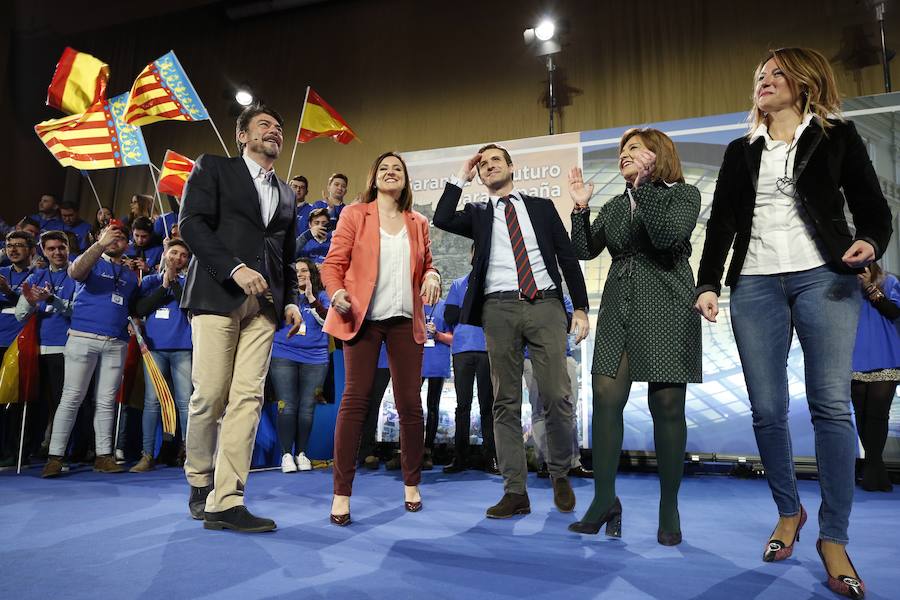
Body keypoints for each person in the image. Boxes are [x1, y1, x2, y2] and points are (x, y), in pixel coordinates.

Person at [694, 48, 892, 598]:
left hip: (823, 278)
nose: (765, 81)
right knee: (767, 408)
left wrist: (871, 241)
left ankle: (834, 537)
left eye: (777, 73)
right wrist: (708, 282)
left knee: (830, 403)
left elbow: (874, 209)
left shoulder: (838, 138)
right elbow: (723, 225)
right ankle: (789, 510)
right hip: (754, 283)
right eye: (760, 75)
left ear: (805, 83)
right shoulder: (740, 151)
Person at [433, 144, 590, 519]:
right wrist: (462, 175)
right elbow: (440, 217)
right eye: (483, 164)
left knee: (556, 394)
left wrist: (580, 307)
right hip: (497, 309)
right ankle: (515, 491)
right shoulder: (478, 213)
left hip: (546, 304)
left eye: (494, 161)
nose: (488, 167)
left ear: (511, 167)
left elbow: (566, 257)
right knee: (504, 402)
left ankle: (559, 473)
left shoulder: (540, 207)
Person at [567, 128, 702, 545]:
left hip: (668, 301)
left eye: (634, 149)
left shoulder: (684, 195)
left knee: (666, 404)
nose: (623, 155)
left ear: (658, 156)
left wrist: (643, 189)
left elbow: (665, 235)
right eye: (621, 151)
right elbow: (585, 249)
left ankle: (669, 507)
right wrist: (580, 209)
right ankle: (604, 499)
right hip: (619, 304)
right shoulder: (613, 204)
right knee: (606, 396)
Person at [178, 103, 301, 533]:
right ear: (242, 137)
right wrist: (233, 267)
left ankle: (227, 500)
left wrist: (291, 300)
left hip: (264, 309)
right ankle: (200, 480)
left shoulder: (287, 193)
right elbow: (191, 225)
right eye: (265, 124)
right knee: (210, 395)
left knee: (247, 399)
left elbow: (286, 255)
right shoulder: (213, 168)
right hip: (216, 294)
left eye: (279, 127)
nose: (275, 131)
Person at [321, 151, 441, 526]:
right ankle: (341, 493)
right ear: (374, 179)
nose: (391, 173)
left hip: (406, 321)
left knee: (410, 405)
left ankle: (411, 483)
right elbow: (332, 265)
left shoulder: (418, 221)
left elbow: (428, 264)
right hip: (363, 319)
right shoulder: (355, 215)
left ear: (405, 181)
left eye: (398, 170)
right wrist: (336, 292)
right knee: (355, 401)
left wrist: (433, 276)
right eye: (384, 169)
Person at [42, 221, 140, 477]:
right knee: (71, 397)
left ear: (128, 244)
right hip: (83, 336)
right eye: (111, 235)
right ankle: (55, 457)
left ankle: (104, 456)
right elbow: (74, 273)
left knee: (107, 400)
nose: (115, 240)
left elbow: (131, 306)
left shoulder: (130, 274)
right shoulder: (91, 260)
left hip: (116, 341)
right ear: (100, 237)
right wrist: (101, 244)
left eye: (121, 237)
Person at [129, 239, 193, 473]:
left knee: (185, 403)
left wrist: (173, 282)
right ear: (165, 254)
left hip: (183, 349)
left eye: (183, 255)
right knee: (152, 402)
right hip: (154, 349)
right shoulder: (148, 281)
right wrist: (163, 286)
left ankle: (188, 454)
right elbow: (141, 309)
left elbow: (187, 305)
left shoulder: (190, 282)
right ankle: (147, 455)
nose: (178, 257)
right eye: (174, 252)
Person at [14, 231, 76, 462]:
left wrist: (53, 300)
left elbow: (79, 312)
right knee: (38, 403)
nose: (57, 252)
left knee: (63, 403)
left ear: (68, 247)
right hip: (38, 349)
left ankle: (60, 453)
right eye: (51, 249)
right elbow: (20, 315)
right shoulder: (35, 277)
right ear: (43, 250)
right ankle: (32, 449)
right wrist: (31, 301)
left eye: (61, 247)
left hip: (66, 348)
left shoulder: (78, 274)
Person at [270, 257, 330, 473]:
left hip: (315, 358)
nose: (300, 274)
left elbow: (329, 322)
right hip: (283, 354)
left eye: (305, 270)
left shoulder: (323, 296)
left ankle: (301, 453)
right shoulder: (283, 297)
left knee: (307, 407)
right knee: (286, 404)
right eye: (296, 271)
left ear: (312, 274)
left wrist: (312, 299)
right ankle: (286, 454)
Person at [523, 294, 592, 479]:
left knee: (570, 411)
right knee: (539, 411)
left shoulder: (564, 298)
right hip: (532, 359)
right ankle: (545, 462)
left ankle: (573, 462)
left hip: (563, 357)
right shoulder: (522, 296)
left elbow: (568, 324)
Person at [442, 262, 497, 475]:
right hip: (462, 350)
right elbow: (450, 316)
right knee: (462, 405)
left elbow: (492, 315)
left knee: (487, 406)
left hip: (486, 350)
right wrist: (475, 309)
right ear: (472, 255)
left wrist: (466, 310)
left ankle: (491, 456)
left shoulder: (492, 284)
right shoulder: (458, 284)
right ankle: (460, 457)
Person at [851, 263, 899, 492]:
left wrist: (870, 287)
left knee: (878, 414)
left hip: (885, 351)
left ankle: (872, 467)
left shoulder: (889, 281)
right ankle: (875, 468)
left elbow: (894, 312)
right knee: (861, 414)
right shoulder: (843, 284)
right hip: (854, 353)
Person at [0, 230, 36, 466]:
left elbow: (29, 305)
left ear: (31, 250)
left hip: (21, 344)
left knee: (14, 403)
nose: (13, 249)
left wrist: (8, 292)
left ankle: (12, 452)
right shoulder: (1, 272)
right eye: (9, 245)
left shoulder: (37, 275)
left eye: (19, 246)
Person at [421, 299, 452, 469]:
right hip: (416, 359)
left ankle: (427, 450)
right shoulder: (414, 305)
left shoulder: (445, 307)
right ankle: (406, 449)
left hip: (437, 360)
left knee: (433, 405)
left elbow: (453, 338)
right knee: (409, 405)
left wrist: (437, 334)